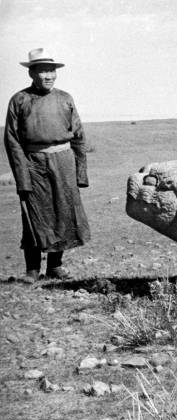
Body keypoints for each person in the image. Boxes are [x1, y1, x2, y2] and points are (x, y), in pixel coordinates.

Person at [4, 48, 90, 282]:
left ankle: (54, 267)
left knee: (63, 212)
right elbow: (12, 141)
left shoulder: (65, 98)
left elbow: (79, 136)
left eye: (51, 70)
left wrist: (80, 173)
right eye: (42, 71)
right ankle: (32, 270)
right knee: (33, 215)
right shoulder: (19, 100)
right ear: (31, 73)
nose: (48, 75)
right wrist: (22, 177)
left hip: (64, 162)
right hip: (33, 163)